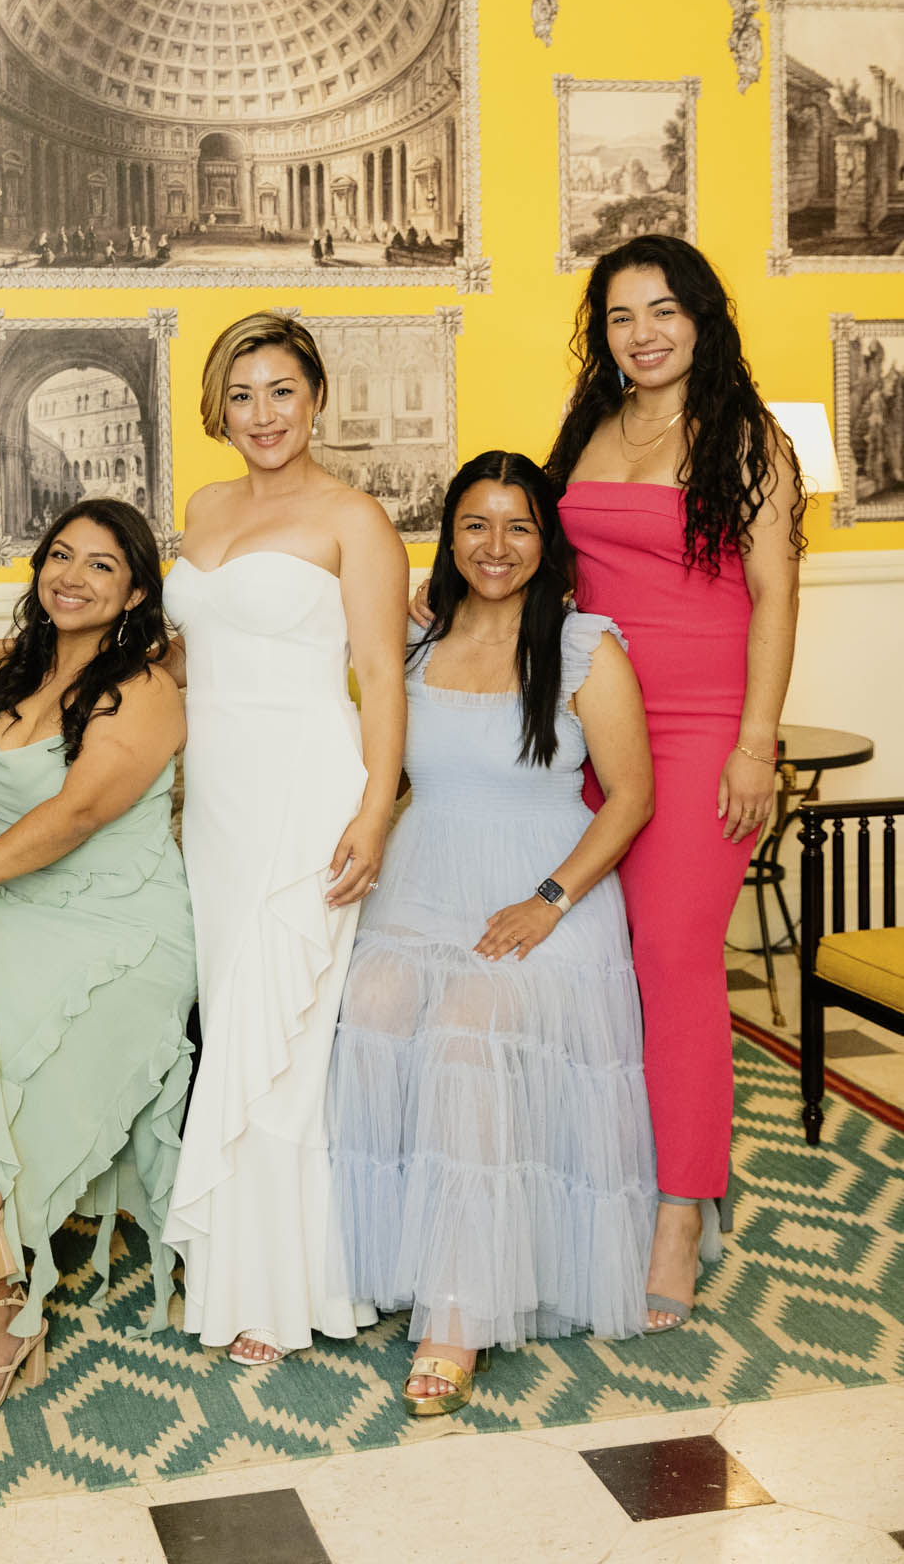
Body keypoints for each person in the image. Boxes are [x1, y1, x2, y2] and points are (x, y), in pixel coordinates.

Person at [330, 452, 656, 1416]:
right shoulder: (412, 641)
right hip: (422, 872)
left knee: (472, 1021)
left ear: (547, 540)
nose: (496, 547)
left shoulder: (589, 645)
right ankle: (383, 1259)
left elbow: (631, 795)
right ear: (449, 532)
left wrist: (548, 899)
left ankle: (461, 1310)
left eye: (518, 526)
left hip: (542, 884)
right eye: (476, 524)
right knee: (376, 1004)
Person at [0, 502, 195, 1422]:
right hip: (14, 895)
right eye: (61, 556)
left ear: (135, 591)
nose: (73, 576)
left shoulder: (144, 687)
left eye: (102, 566)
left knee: (2, 1055)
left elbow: (78, 816)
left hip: (122, 921)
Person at [545, 236, 803, 1328]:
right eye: (617, 315)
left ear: (701, 316)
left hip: (700, 729)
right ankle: (601, 1167)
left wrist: (756, 740)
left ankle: (681, 1209)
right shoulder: (589, 426)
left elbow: (776, 595)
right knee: (589, 958)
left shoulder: (748, 439)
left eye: (661, 309)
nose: (640, 332)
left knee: (674, 963)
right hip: (582, 723)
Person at [163, 311, 407, 1363]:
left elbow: (383, 673)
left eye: (281, 391)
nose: (261, 412)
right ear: (217, 407)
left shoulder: (353, 516)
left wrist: (373, 806)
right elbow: (183, 660)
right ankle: (229, 1263)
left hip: (310, 784)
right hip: (214, 795)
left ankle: (281, 1288)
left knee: (286, 1038)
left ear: (315, 398)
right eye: (242, 393)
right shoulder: (201, 504)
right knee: (230, 1018)